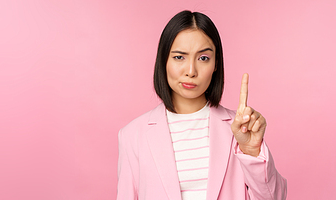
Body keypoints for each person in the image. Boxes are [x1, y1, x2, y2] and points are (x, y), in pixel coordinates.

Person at [116, 10, 287, 200]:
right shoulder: (132, 135)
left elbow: (274, 197)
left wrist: (253, 152)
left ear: (215, 64)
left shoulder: (239, 130)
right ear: (163, 61)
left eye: (203, 58)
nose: (191, 71)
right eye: (179, 57)